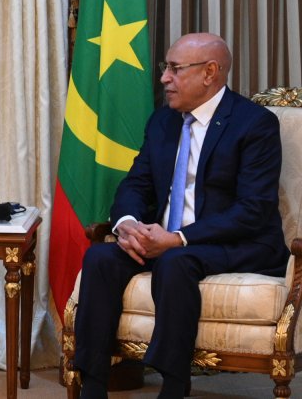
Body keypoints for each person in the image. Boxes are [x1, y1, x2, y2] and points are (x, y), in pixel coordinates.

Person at [73, 33, 289, 398]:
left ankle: (173, 384)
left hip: (236, 243)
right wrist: (128, 226)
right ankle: (92, 384)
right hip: (166, 241)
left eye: (174, 69)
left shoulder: (255, 124)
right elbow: (136, 185)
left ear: (209, 72)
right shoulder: (163, 122)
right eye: (165, 68)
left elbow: (253, 210)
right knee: (101, 256)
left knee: (176, 261)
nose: (164, 78)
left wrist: (177, 239)